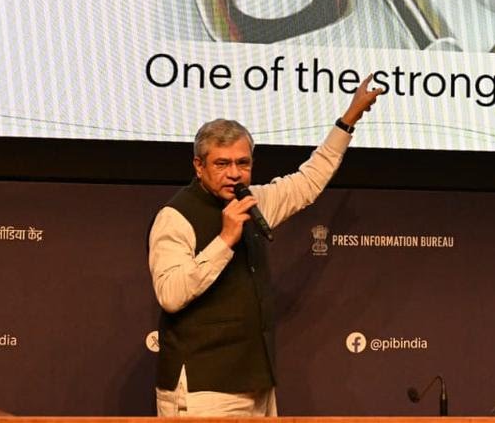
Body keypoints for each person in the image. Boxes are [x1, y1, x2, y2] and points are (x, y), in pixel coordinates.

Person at [148, 76, 383, 417]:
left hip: (256, 385)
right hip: (204, 389)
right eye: (222, 164)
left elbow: (307, 181)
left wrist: (349, 119)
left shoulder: (253, 201)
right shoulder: (175, 217)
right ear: (199, 166)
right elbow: (170, 294)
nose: (234, 174)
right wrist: (225, 239)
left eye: (242, 163)